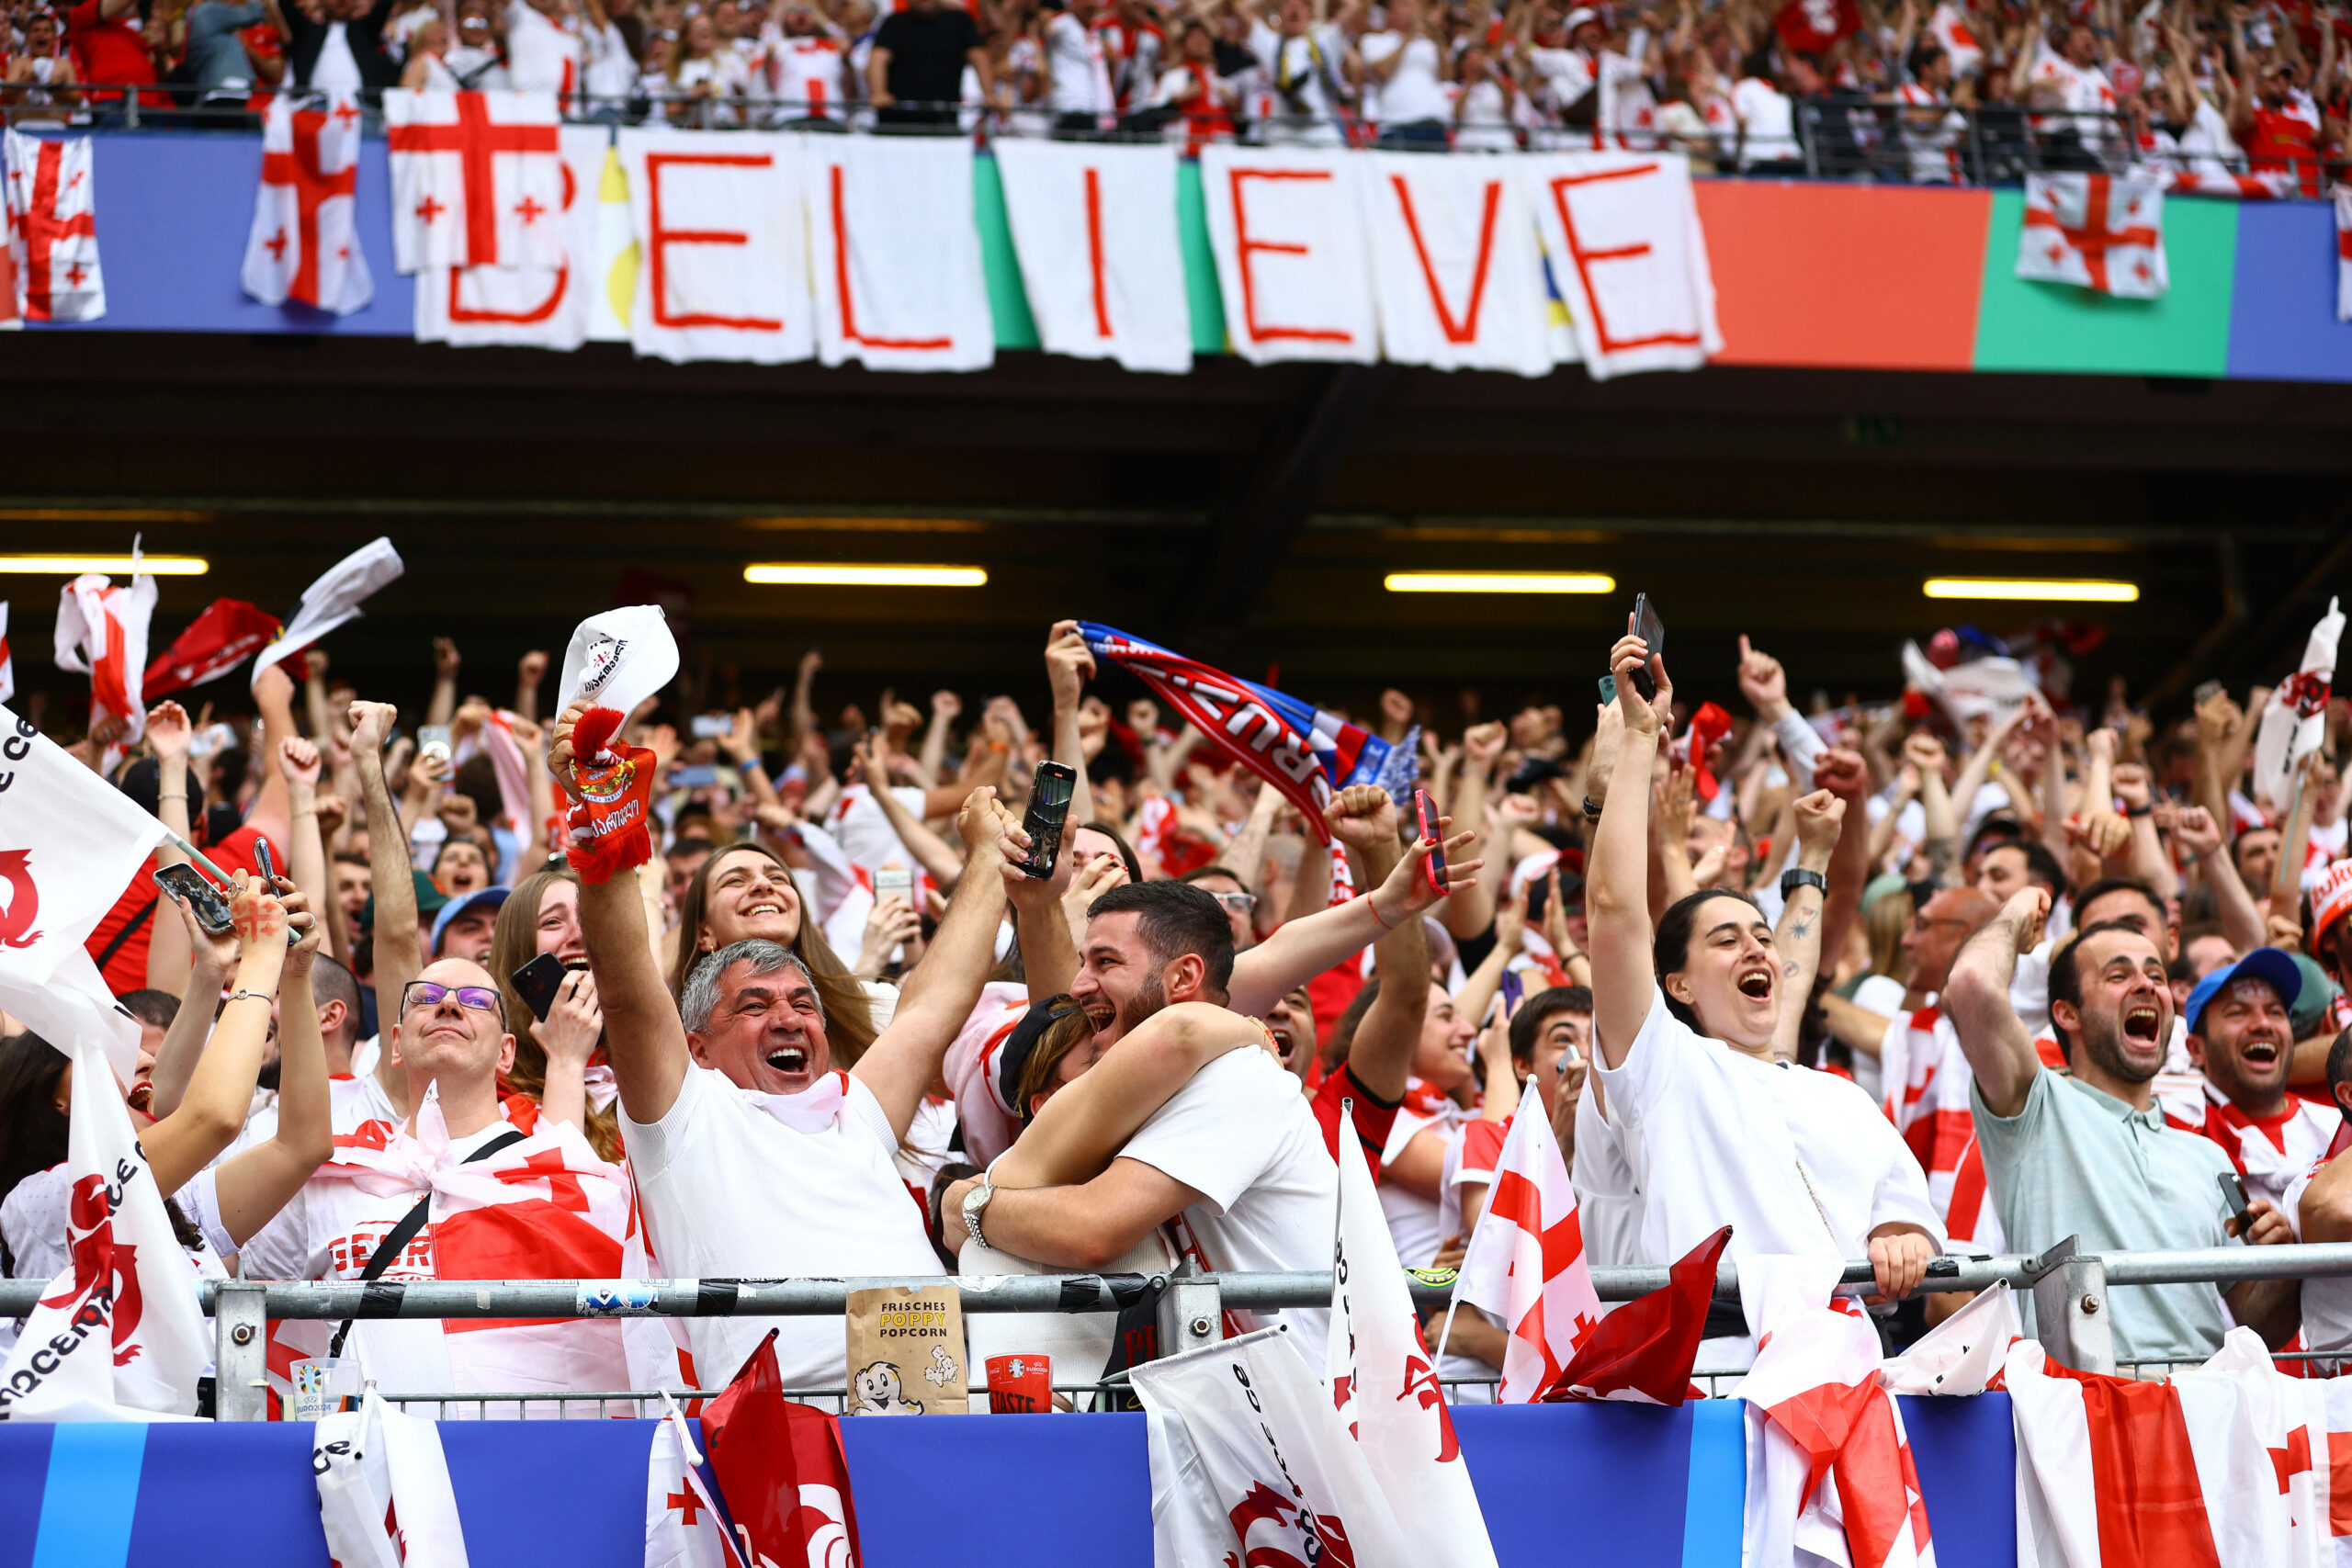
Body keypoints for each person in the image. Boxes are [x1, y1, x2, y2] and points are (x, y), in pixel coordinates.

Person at [557, 698, 1013, 1394]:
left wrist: (986, 857)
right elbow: (626, 990)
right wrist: (604, 817)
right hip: (777, 1434)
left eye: (804, 1004)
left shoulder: (852, 1110)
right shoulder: (685, 1113)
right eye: (755, 1004)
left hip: (930, 1405)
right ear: (697, 1044)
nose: (789, 1019)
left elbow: (934, 1003)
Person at [1584, 624, 1940, 1366]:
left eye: (1760, 934)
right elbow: (1616, 909)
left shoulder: (1841, 1096)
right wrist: (1640, 743)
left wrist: (1902, 1237)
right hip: (1718, 1372)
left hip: (1850, 1375)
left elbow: (1902, 1212)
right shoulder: (1661, 1067)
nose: (1755, 947)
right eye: (1724, 939)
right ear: (1675, 983)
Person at [1945, 889, 2300, 1363]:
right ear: (2066, 1014)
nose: (2146, 985)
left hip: (2202, 1411)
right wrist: (2015, 913)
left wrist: (2283, 1264)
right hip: (2085, 1409)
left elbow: (2263, 1327)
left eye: (2156, 974)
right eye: (2119, 975)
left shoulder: (2207, 1157)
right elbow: (1970, 983)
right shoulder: (2035, 1105)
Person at [2159, 948, 2335, 1208]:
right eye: (2237, 1013)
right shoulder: (2173, 1126)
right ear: (2196, 1049)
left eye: (2275, 1012)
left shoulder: (2337, 1128)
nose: (2263, 1024)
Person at [865, 0, 990, 129]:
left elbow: (978, 57)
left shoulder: (959, 21)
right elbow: (878, 59)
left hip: (944, 118)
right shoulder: (894, 23)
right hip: (897, 118)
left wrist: (989, 94)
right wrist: (878, 92)